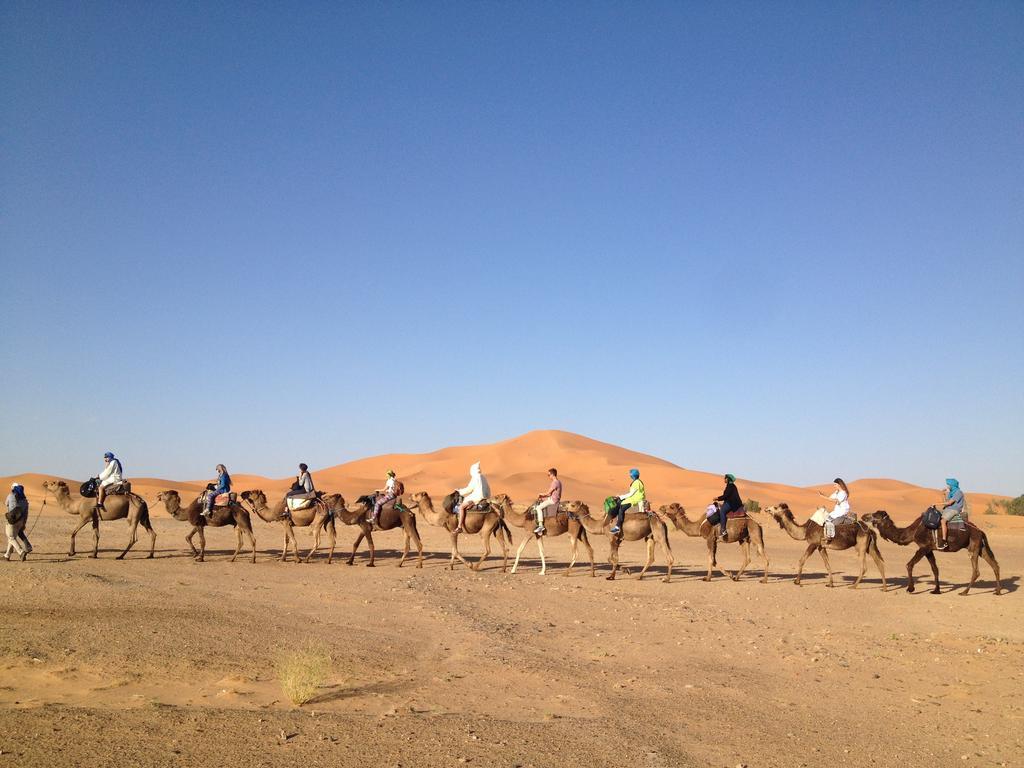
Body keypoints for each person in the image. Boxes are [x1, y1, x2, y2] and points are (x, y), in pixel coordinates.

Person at [455, 462, 491, 533]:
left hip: (476, 498)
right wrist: (487, 497)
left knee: (461, 507)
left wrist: (460, 491)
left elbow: (469, 489)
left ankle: (459, 527)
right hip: (485, 498)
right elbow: (488, 488)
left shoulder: (475, 477)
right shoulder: (483, 477)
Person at [611, 468, 645, 535]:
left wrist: (620, 496)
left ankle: (617, 527)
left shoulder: (636, 483)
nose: (630, 475)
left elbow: (631, 494)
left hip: (635, 499)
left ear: (633, 475)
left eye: (630, 474)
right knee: (620, 501)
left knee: (621, 509)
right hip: (634, 498)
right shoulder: (638, 481)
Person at [817, 477, 851, 542]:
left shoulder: (843, 493)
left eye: (835, 484)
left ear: (839, 485)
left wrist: (823, 497)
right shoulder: (837, 492)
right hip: (837, 510)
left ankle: (829, 536)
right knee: (826, 519)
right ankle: (827, 535)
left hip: (842, 511)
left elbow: (836, 501)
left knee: (830, 521)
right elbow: (830, 497)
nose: (834, 486)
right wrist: (823, 495)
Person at [935, 478, 966, 550]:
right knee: (935, 516)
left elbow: (949, 503)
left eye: (948, 485)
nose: (947, 486)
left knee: (943, 521)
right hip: (948, 508)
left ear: (952, 485)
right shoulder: (951, 492)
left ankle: (944, 541)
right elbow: (946, 501)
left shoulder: (958, 492)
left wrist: (935, 503)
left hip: (954, 509)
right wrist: (944, 494)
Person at [5, 483, 32, 561]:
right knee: (12, 537)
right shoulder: (25, 500)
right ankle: (7, 555)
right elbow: (26, 513)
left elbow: (6, 503)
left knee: (11, 537)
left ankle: (21, 552)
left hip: (12, 520)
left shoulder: (11, 496)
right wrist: (24, 523)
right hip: (21, 521)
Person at [533, 468, 562, 535]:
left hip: (553, 500)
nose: (548, 476)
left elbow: (548, 493)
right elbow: (550, 494)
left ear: (552, 474)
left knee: (538, 508)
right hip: (552, 498)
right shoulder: (558, 482)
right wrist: (543, 497)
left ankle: (541, 526)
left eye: (549, 475)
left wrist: (541, 494)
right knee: (538, 504)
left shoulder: (555, 482)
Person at [714, 473, 743, 540]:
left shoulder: (730, 486)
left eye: (725, 478)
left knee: (722, 511)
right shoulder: (730, 486)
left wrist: (717, 498)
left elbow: (726, 496)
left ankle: (723, 530)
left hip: (733, 503)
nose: (724, 479)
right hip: (730, 502)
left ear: (728, 479)